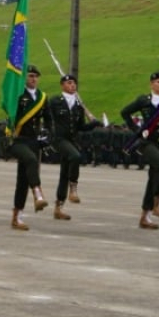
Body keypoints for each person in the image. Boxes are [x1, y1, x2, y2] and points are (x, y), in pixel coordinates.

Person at [121, 72, 159, 230]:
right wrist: (137, 130)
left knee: (156, 176)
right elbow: (125, 112)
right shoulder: (143, 100)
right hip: (147, 142)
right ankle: (154, 206)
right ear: (152, 84)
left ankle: (146, 216)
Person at [6, 64, 53, 231]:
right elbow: (9, 110)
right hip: (18, 140)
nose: (33, 79)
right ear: (24, 77)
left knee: (23, 180)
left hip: (33, 142)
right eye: (30, 76)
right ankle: (38, 193)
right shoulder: (17, 95)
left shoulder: (42, 97)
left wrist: (47, 135)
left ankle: (16, 216)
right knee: (32, 161)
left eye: (35, 76)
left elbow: (48, 120)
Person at [48, 74, 100, 220]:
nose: (72, 85)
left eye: (74, 83)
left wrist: (93, 124)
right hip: (58, 139)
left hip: (71, 141)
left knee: (64, 174)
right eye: (69, 83)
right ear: (62, 85)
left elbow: (81, 127)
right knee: (76, 156)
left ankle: (58, 207)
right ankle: (73, 188)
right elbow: (45, 116)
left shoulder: (78, 106)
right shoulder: (55, 102)